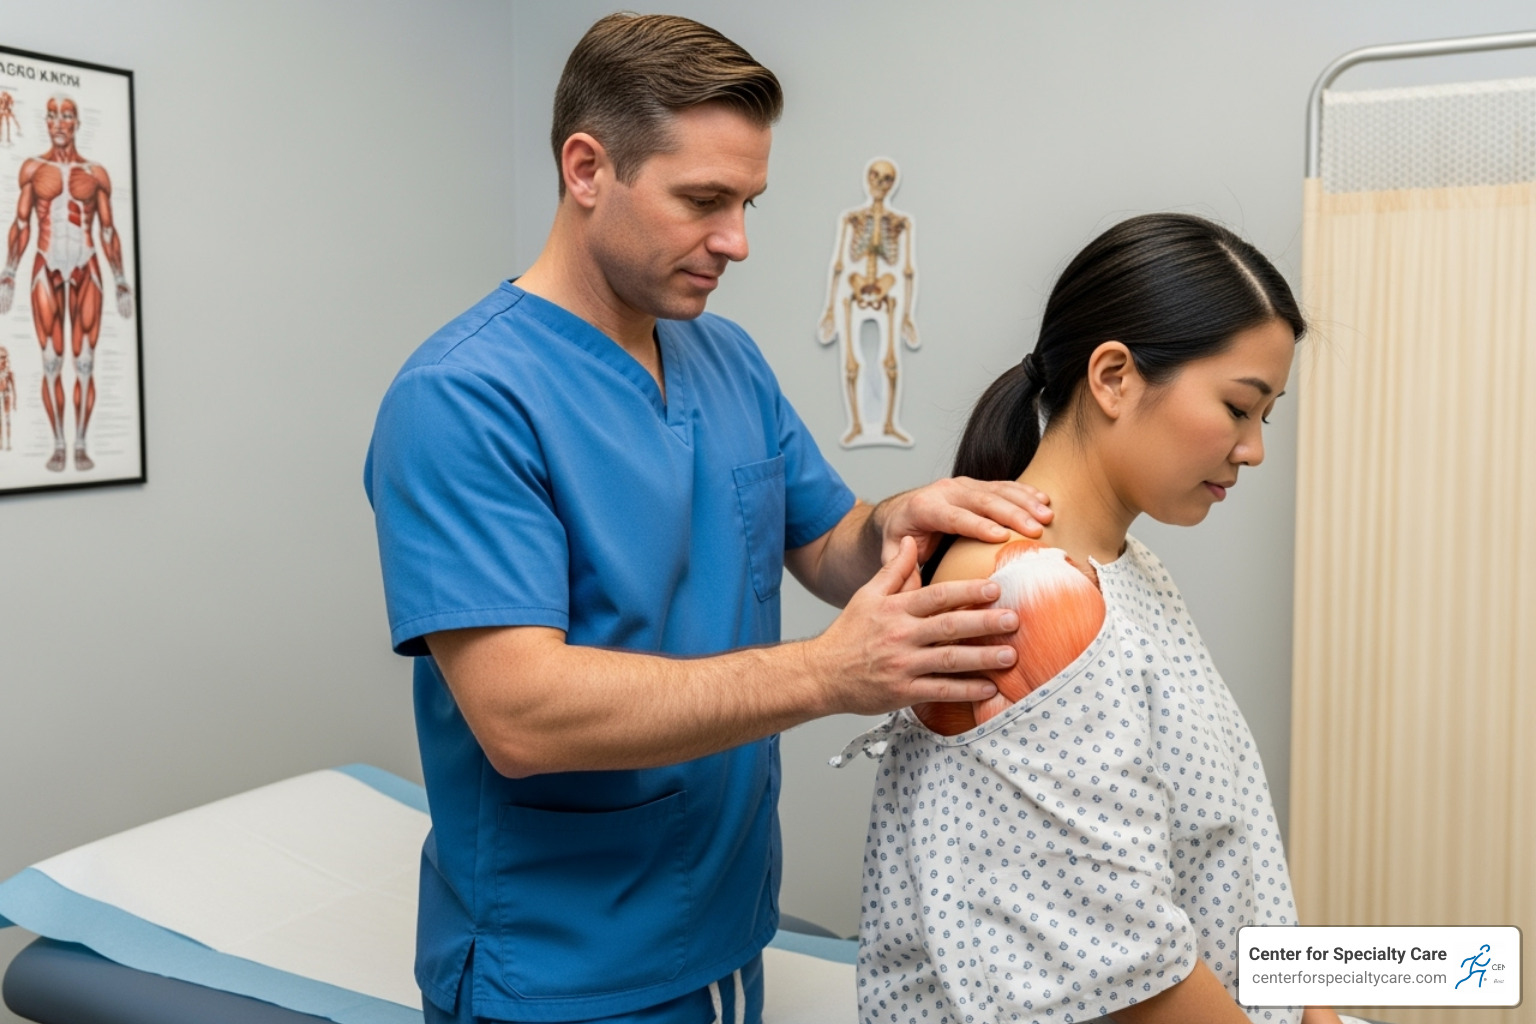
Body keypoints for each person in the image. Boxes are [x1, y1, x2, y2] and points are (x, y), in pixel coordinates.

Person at [364, 13, 1055, 1024]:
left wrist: (900, 517)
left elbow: (823, 538)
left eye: (747, 202)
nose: (736, 240)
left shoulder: (723, 358)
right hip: (562, 974)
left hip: (731, 934)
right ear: (587, 167)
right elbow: (518, 712)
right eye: (704, 201)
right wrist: (829, 672)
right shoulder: (463, 398)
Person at [847, 214, 1346, 1024]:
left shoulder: (1125, 571)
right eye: (1237, 407)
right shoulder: (1021, 599)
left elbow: (1221, 848)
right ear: (1112, 376)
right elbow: (1122, 973)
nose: (1253, 449)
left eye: (1267, 416)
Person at [0, 95, 134, 472]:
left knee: (86, 361)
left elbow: (108, 229)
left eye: (67, 116)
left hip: (86, 265)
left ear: (77, 123)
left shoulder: (95, 173)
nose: (59, 123)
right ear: (46, 122)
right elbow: (22, 223)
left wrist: (121, 277)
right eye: (53, 116)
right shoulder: (32, 169)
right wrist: (9, 272)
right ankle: (59, 443)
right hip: (45, 265)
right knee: (51, 361)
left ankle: (81, 444)